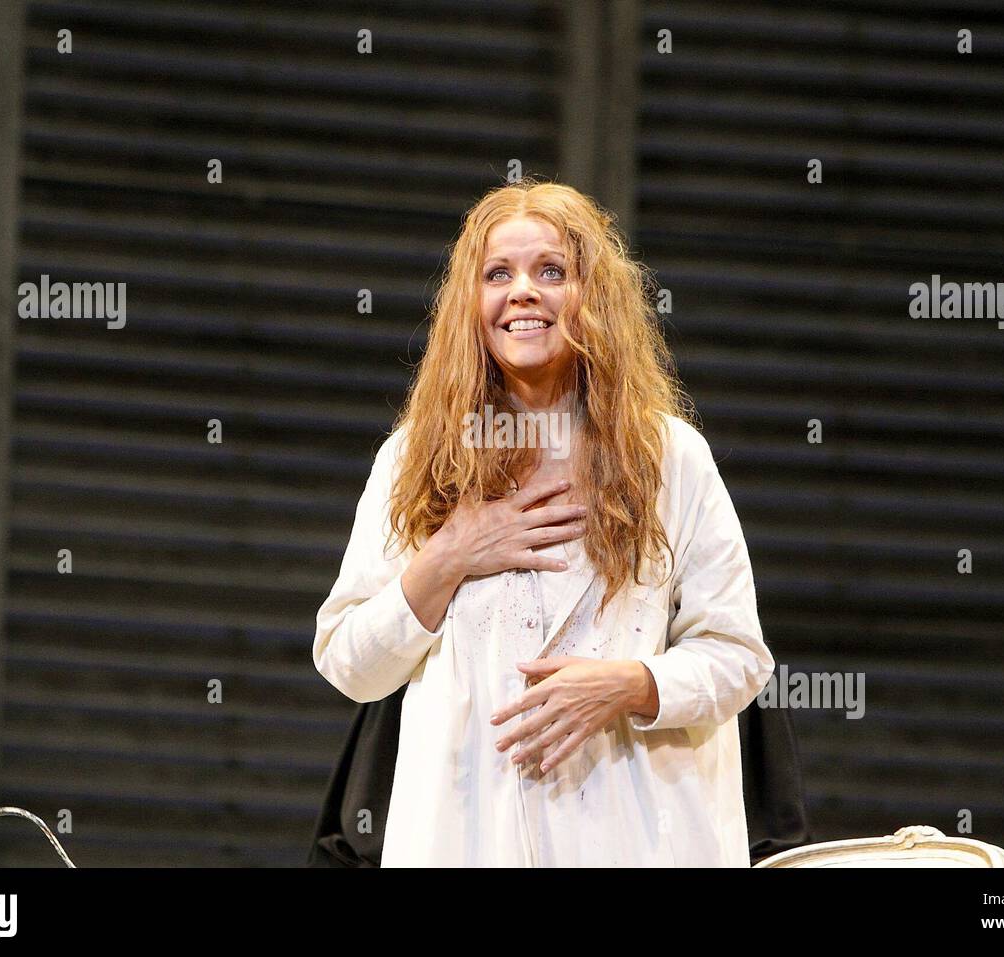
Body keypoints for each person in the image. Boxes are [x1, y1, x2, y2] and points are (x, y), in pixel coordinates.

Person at [313, 178, 777, 866]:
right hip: (469, 839)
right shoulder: (416, 459)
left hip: (637, 838)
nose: (523, 291)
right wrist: (452, 553)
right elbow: (348, 661)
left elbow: (740, 657)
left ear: (595, 297)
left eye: (551, 271)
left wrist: (631, 684)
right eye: (498, 273)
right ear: (471, 303)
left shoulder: (670, 456)